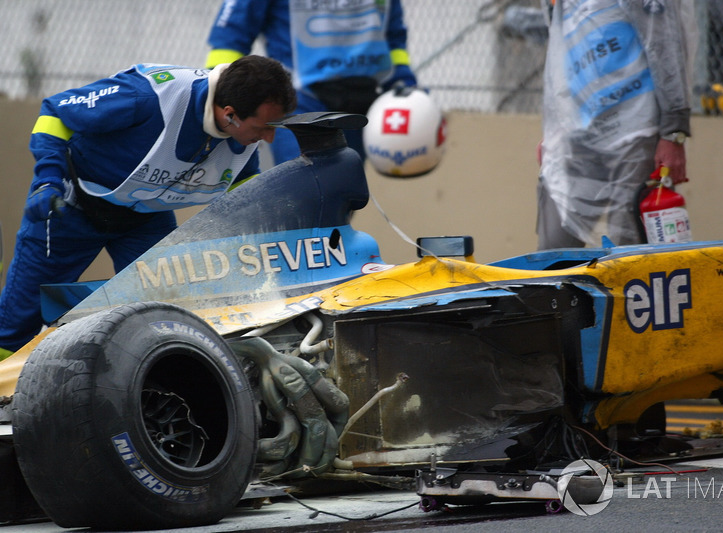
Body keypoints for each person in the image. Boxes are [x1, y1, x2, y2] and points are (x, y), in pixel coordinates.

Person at [0, 55, 297, 359]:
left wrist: (270, 224)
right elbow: (55, 113)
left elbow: (244, 189)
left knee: (168, 319)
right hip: (69, 208)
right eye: (265, 127)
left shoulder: (245, 138)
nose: (270, 137)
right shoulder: (148, 96)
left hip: (146, 219)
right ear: (230, 115)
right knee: (15, 325)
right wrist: (47, 180)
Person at [536, 0, 696, 249]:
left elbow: (666, 44)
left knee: (631, 249)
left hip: (635, 126)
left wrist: (673, 130)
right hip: (576, 131)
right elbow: (559, 55)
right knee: (553, 253)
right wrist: (554, 130)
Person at [205, 0, 417, 165]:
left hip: (364, 101)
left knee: (343, 195)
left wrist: (405, 88)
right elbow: (231, 36)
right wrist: (215, 97)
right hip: (299, 102)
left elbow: (393, 36)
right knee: (305, 191)